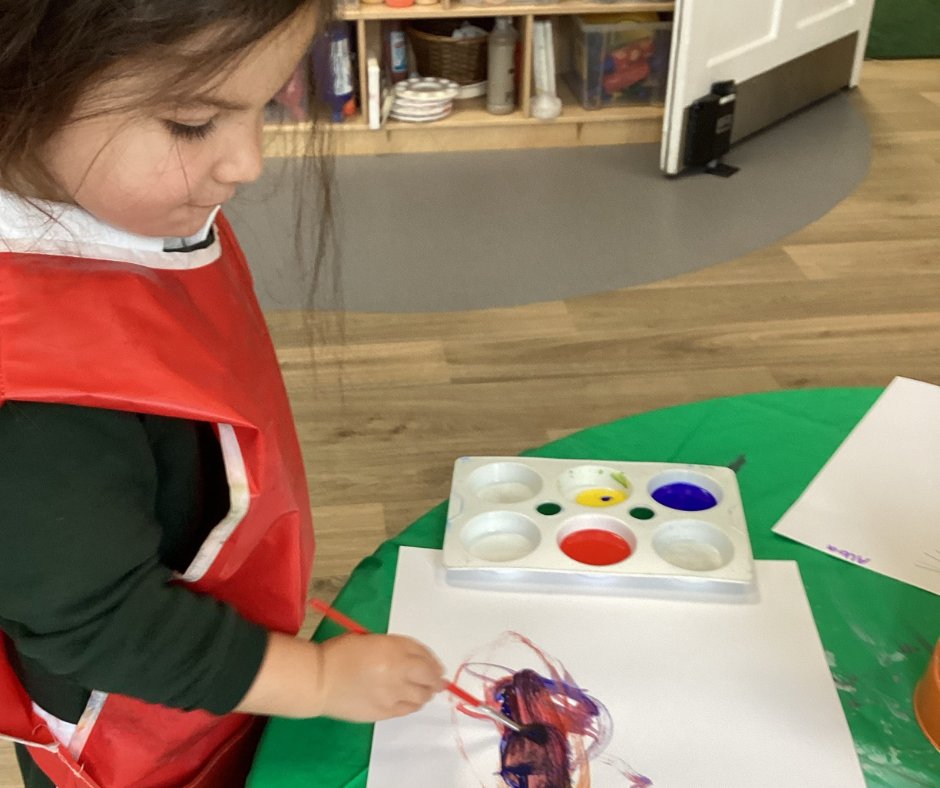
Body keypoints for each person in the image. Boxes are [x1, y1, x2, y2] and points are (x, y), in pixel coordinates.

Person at [0, 3, 445, 786]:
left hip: (204, 651)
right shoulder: (33, 402)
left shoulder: (113, 207)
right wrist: (316, 683)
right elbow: (98, 623)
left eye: (265, 106)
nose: (249, 163)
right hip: (130, 719)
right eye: (192, 122)